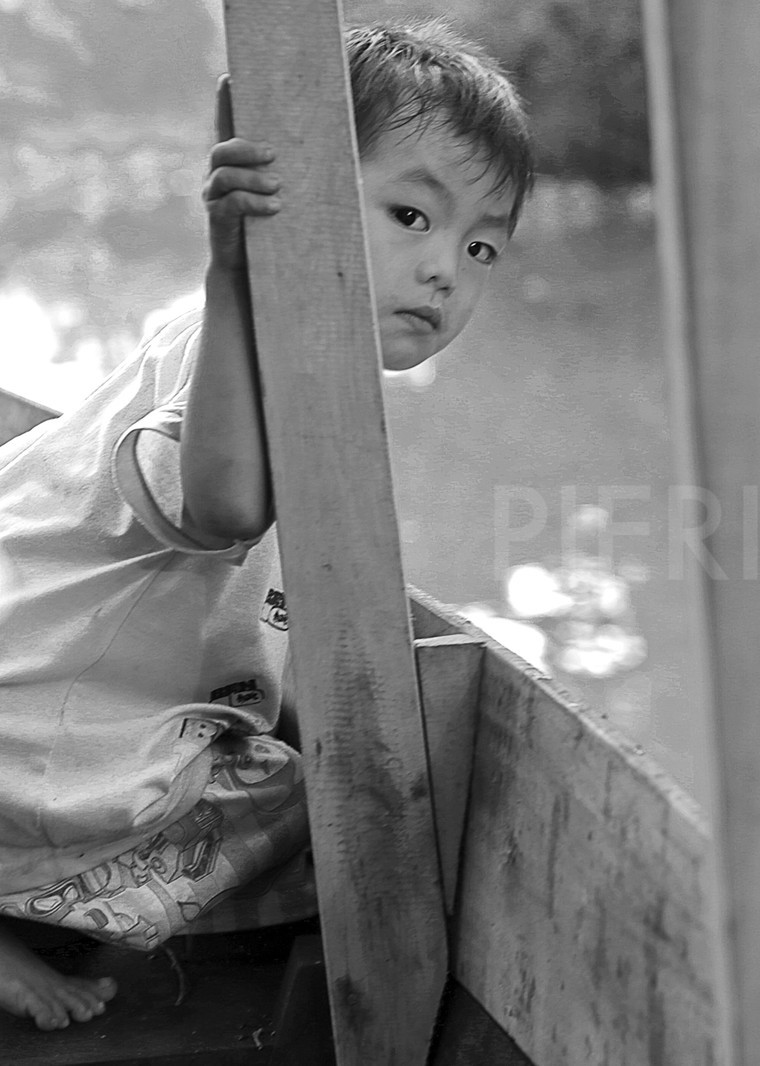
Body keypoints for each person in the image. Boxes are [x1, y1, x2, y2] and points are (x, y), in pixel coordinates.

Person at [0, 19, 536, 1030]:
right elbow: (228, 507)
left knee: (304, 777)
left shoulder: (318, 371)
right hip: (22, 711)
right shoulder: (227, 327)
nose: (445, 273)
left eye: (479, 246)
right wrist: (234, 272)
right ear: (304, 201)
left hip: (55, 698)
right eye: (410, 215)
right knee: (322, 800)